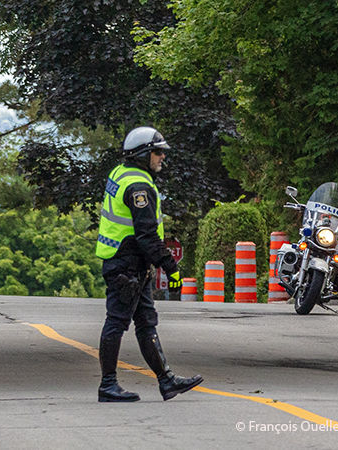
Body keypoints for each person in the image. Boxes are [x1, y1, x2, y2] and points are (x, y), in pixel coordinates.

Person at [95, 126, 203, 402]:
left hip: (129, 263)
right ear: (143, 154)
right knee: (117, 322)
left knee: (146, 322)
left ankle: (166, 381)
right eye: (157, 152)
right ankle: (108, 385)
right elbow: (146, 236)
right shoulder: (139, 186)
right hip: (126, 264)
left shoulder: (121, 173)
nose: (162, 157)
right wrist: (171, 267)